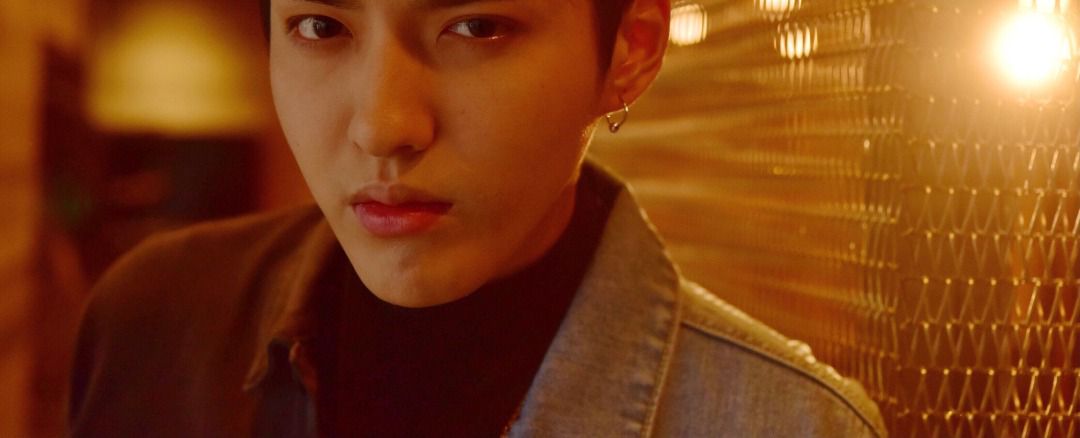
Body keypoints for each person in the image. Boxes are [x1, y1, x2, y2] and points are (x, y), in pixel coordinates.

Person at [69, 0, 887, 436]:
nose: (384, 126)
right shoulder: (157, 323)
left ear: (630, 50)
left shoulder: (782, 422)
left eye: (477, 28)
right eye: (322, 26)